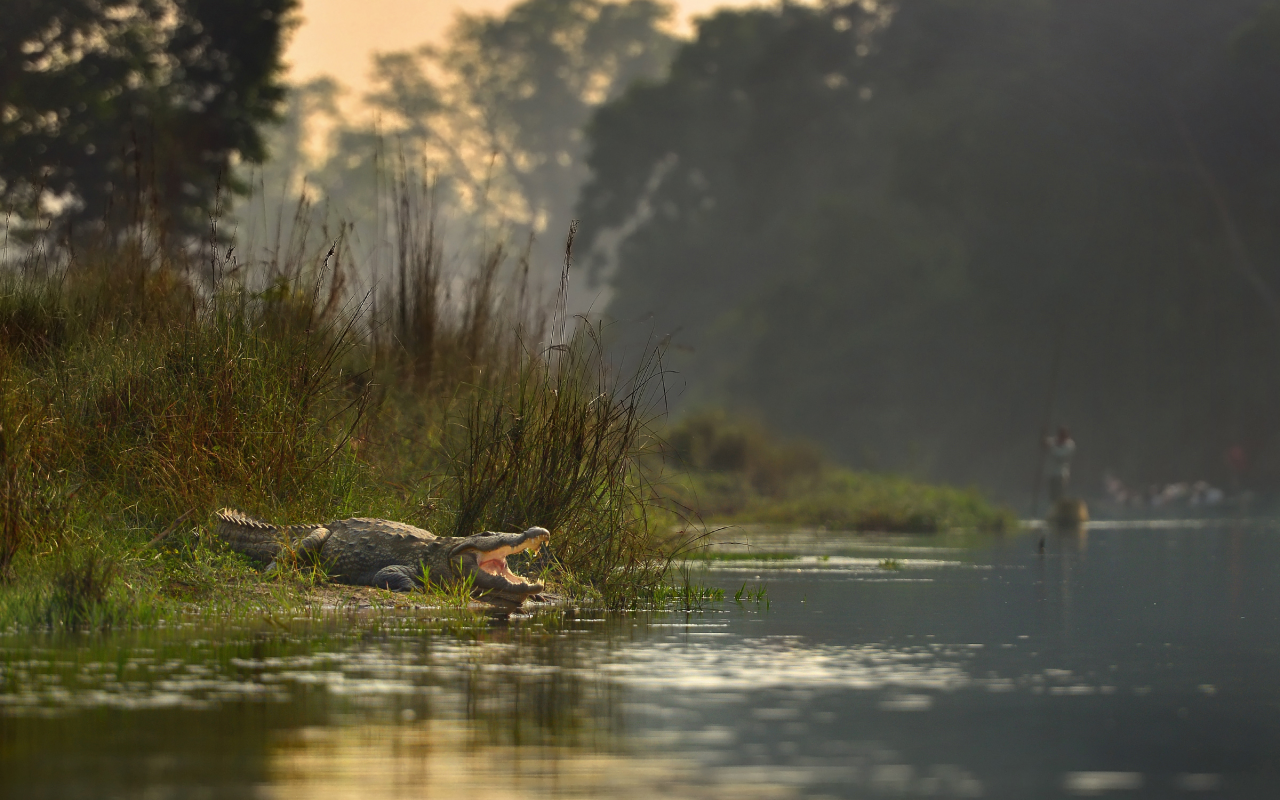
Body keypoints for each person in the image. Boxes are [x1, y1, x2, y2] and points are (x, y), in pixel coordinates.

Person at [1043, 426, 1076, 503]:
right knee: (1052, 495)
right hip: (1052, 473)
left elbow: (1059, 455)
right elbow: (1046, 442)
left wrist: (1050, 446)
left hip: (1062, 474)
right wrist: (1044, 439)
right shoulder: (1054, 441)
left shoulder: (1070, 445)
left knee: (1060, 495)